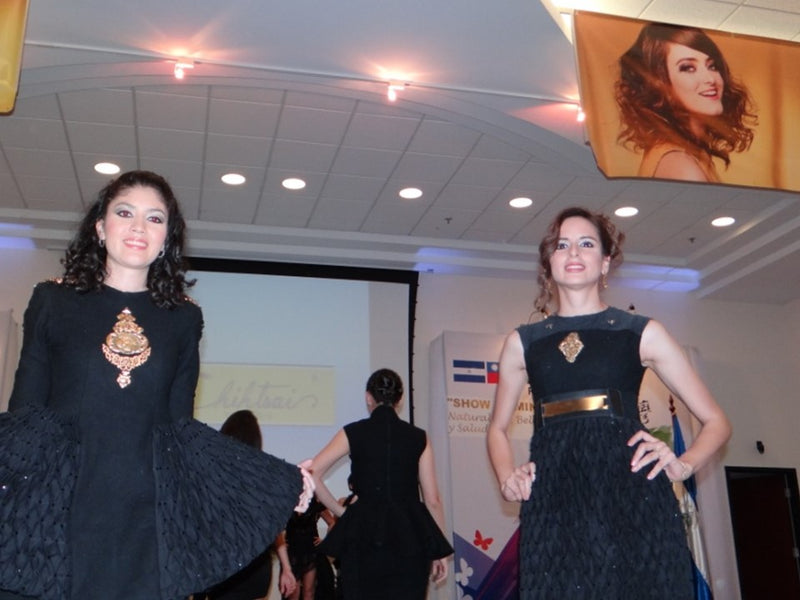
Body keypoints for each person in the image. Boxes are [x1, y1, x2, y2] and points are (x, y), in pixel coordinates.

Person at [0, 170, 313, 600]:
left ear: (167, 237)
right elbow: (25, 415)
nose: (138, 227)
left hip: (145, 517)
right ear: (100, 226)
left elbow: (180, 430)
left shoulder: (183, 318)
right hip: (62, 510)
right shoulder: (52, 300)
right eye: (124, 213)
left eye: (154, 218)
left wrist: (278, 481)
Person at [486, 207, 731, 598]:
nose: (573, 252)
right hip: (555, 501)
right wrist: (506, 477)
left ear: (604, 262)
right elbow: (497, 429)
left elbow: (716, 421)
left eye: (586, 244)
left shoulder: (641, 332)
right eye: (562, 245)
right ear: (549, 262)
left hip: (632, 494)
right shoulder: (523, 342)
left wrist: (683, 465)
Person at [308, 369, 453, 600]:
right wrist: (439, 549)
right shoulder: (419, 437)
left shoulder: (352, 432)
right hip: (410, 538)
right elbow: (433, 499)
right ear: (400, 399)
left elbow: (312, 472)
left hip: (362, 537)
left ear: (369, 397)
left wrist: (342, 512)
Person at [616, 22, 756, 182]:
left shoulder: (688, 153)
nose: (710, 79)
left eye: (712, 66)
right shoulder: (680, 164)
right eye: (688, 68)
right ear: (659, 83)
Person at [202, 410, 298, 600]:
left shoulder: (212, 475)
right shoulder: (263, 477)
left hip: (222, 567)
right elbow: (274, 527)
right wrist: (286, 568)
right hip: (256, 568)